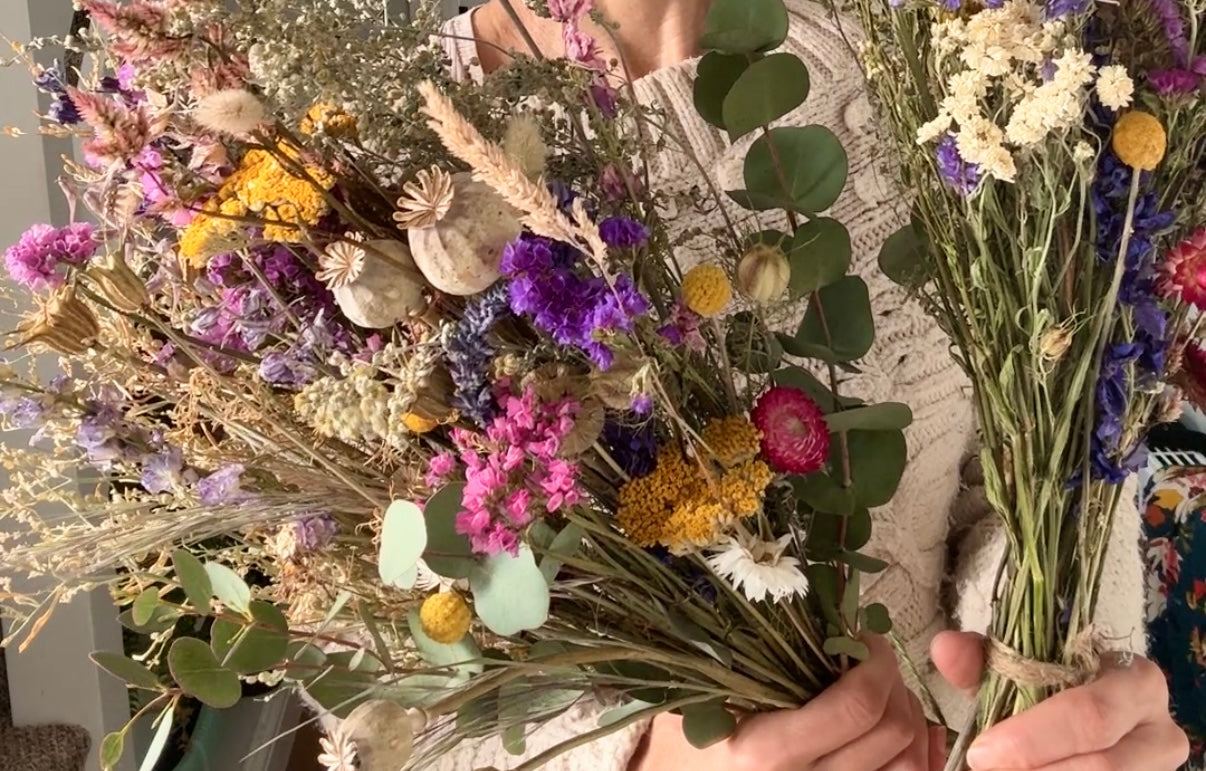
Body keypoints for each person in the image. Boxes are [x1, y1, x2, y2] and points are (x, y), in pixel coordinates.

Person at [436, 1, 1191, 769]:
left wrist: (1060, 670)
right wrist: (643, 757)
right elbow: (410, 703)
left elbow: (1047, 443)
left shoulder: (940, 44)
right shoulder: (403, 181)